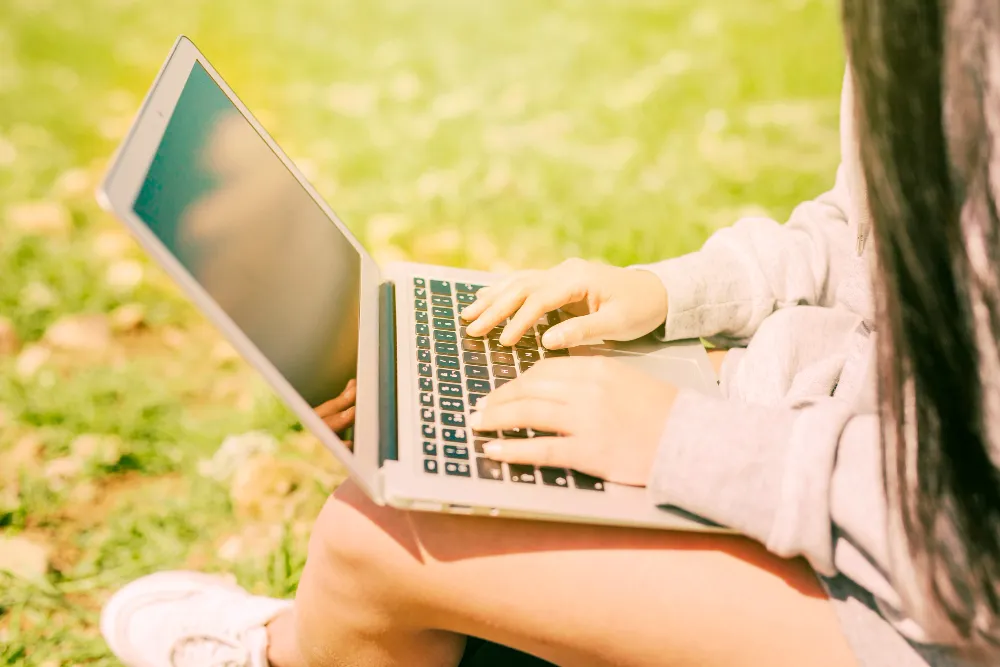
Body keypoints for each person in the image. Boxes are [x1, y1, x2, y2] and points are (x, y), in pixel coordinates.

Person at [97, 1, 1000, 665]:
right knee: (461, 411)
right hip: (841, 441)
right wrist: (665, 295)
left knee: (375, 537)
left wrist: (681, 439)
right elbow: (872, 232)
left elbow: (973, 542)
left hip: (935, 609)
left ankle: (284, 652)